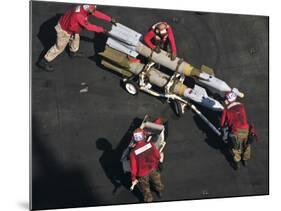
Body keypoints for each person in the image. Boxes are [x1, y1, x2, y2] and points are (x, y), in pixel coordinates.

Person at [38, 4, 116, 71]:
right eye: (93, 9)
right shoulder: (79, 15)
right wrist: (101, 30)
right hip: (64, 30)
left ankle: (73, 52)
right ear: (88, 8)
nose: (94, 10)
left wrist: (109, 19)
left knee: (75, 39)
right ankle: (44, 61)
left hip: (72, 28)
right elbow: (88, 26)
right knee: (59, 47)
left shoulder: (86, 8)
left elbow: (96, 13)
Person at [129, 128, 164, 202]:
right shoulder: (150, 145)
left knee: (145, 188)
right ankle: (159, 191)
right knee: (157, 181)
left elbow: (133, 168)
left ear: (134, 139)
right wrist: (158, 163)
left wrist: (133, 179)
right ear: (144, 136)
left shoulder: (133, 153)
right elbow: (157, 156)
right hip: (152, 169)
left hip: (142, 174)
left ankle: (149, 199)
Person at [220, 91, 251, 169]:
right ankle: (245, 159)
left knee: (235, 147)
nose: (224, 100)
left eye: (225, 99)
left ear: (228, 100)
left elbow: (222, 123)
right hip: (246, 129)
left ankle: (237, 162)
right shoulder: (241, 106)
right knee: (246, 144)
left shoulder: (226, 110)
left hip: (235, 131)